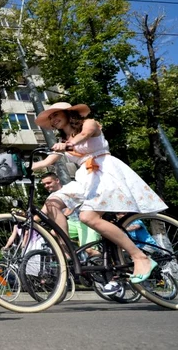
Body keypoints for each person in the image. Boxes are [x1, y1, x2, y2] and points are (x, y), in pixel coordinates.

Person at [31, 102, 167, 283]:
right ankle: (66, 251)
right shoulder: (63, 141)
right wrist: (24, 169)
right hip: (84, 177)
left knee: (87, 217)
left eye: (55, 115)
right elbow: (46, 162)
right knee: (52, 202)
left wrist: (69, 144)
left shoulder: (89, 123)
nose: (53, 120)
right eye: (50, 119)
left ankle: (140, 257)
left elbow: (85, 134)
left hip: (104, 172)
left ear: (68, 113)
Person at [39, 172, 100, 259]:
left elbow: (80, 200)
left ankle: (106, 265)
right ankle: (72, 252)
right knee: (52, 233)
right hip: (72, 222)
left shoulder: (71, 186)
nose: (46, 186)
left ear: (57, 180)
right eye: (44, 184)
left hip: (84, 220)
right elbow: (41, 213)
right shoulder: (51, 198)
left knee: (89, 250)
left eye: (49, 182)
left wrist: (68, 210)